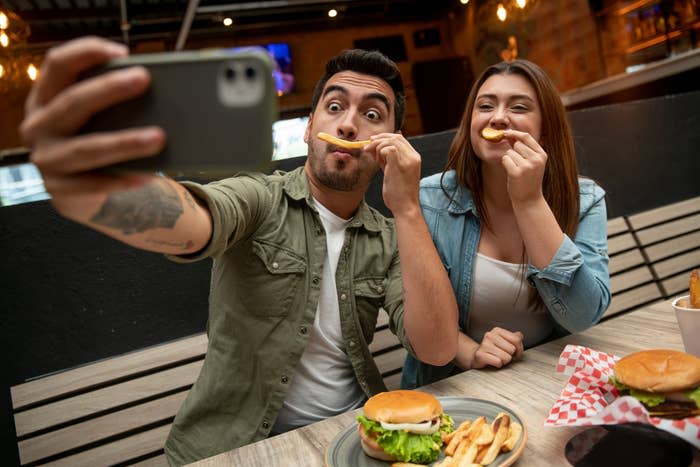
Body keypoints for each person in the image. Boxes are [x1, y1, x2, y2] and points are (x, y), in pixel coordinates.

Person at [20, 37, 459, 465]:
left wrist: (407, 209)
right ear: (310, 127)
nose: (347, 125)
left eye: (371, 114)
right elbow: (193, 221)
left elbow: (437, 350)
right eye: (334, 106)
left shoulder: (390, 235)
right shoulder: (259, 199)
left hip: (350, 439)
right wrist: (104, 187)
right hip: (236, 450)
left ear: (392, 143)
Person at [401, 59, 611, 389]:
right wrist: (471, 352)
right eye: (485, 106)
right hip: (455, 386)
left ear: (546, 126)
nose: (498, 117)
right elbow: (414, 310)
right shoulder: (430, 199)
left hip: (550, 379)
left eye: (519, 106)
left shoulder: (585, 200)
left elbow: (583, 316)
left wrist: (530, 202)